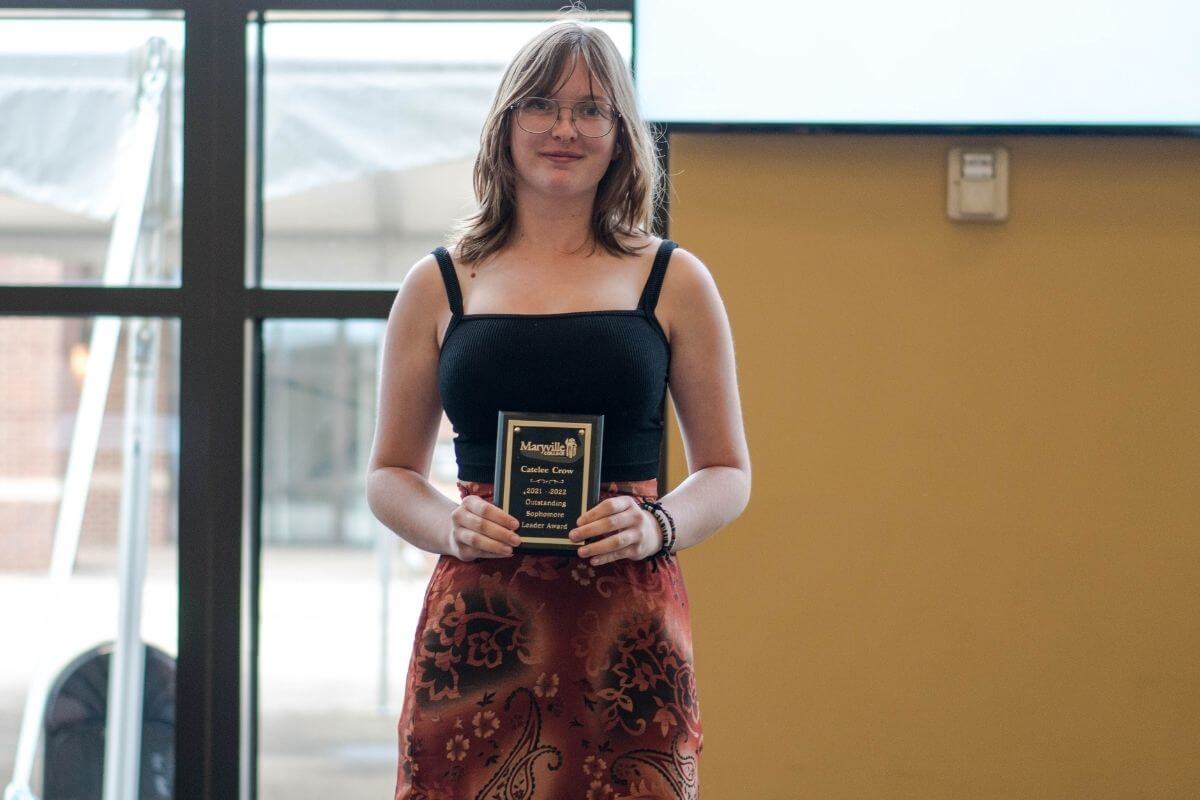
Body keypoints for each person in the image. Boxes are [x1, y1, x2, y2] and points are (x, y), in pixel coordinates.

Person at [366, 17, 751, 800]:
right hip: (480, 630)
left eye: (592, 109)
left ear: (621, 135)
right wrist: (448, 523)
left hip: (628, 633)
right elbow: (388, 475)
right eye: (542, 104)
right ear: (506, 124)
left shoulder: (674, 280)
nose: (565, 128)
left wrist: (660, 523)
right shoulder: (438, 284)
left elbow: (727, 471)